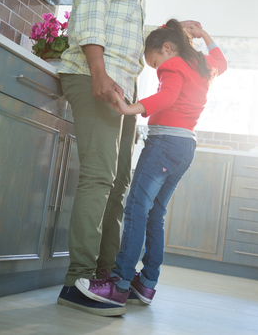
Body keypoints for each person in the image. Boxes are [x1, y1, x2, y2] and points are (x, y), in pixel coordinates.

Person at [57, 0, 188, 317]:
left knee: (120, 185)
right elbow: (90, 15)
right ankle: (76, 281)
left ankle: (107, 280)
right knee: (99, 177)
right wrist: (98, 72)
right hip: (93, 76)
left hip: (122, 88)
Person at [74, 19, 227, 308]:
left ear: (167, 48)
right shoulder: (204, 64)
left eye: (155, 62)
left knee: (135, 210)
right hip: (186, 146)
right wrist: (204, 34)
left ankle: (118, 285)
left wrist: (129, 107)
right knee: (155, 214)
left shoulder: (174, 65)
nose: (158, 69)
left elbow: (167, 96)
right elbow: (222, 60)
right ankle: (146, 284)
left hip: (164, 144)